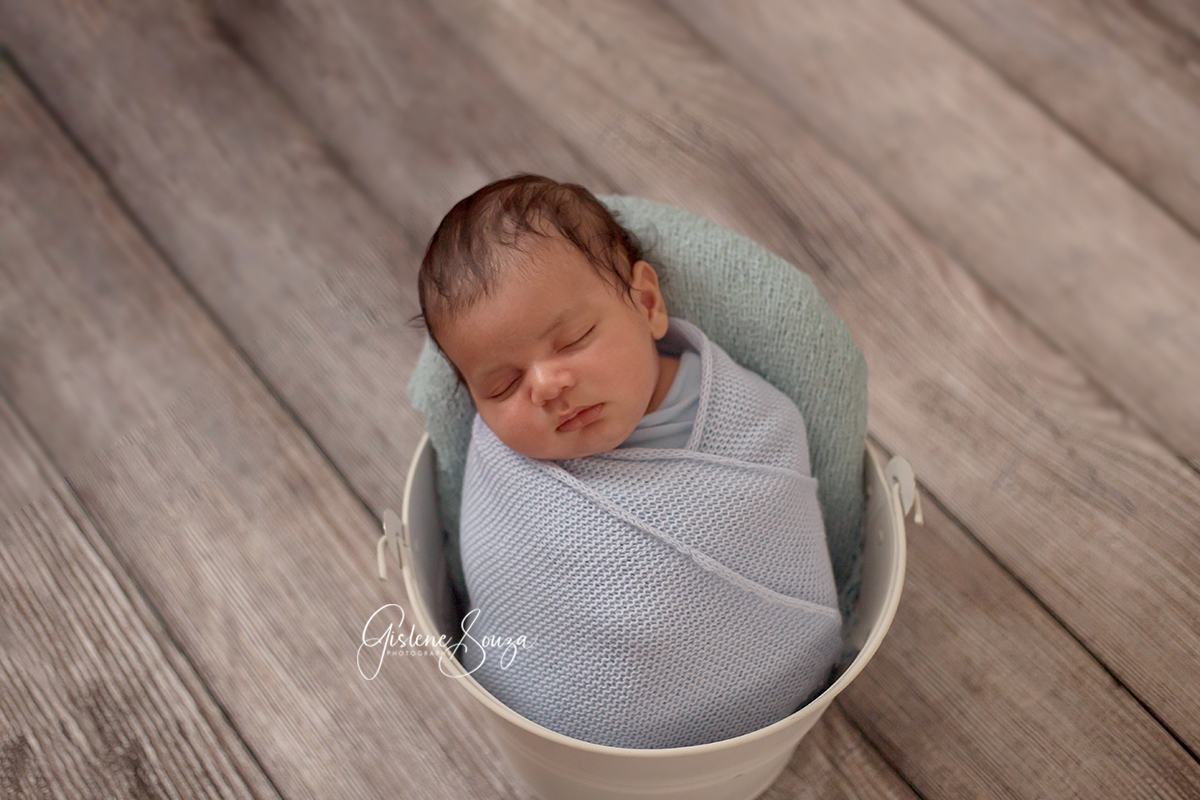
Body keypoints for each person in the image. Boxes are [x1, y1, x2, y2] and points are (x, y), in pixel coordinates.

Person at [415, 174, 841, 748]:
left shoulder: (751, 421)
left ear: (646, 304)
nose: (546, 385)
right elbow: (511, 586)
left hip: (760, 702)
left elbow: (774, 525)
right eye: (501, 384)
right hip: (551, 735)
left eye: (573, 340)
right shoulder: (505, 469)